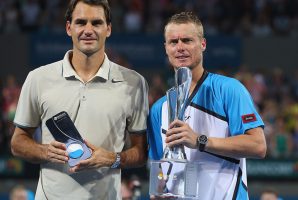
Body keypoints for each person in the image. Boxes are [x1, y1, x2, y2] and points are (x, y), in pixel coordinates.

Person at [10, 0, 148, 199]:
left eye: (97, 23)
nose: (88, 30)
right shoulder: (38, 78)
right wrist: (45, 151)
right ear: (69, 28)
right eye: (81, 22)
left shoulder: (134, 83)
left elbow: (141, 152)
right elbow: (17, 142)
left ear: (108, 29)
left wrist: (112, 158)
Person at [147, 12, 267, 200]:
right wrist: (159, 189)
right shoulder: (158, 109)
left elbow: (258, 146)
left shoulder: (229, 89)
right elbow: (159, 166)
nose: (180, 47)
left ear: (203, 44)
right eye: (173, 42)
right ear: (165, 48)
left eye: (187, 40)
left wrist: (200, 141)